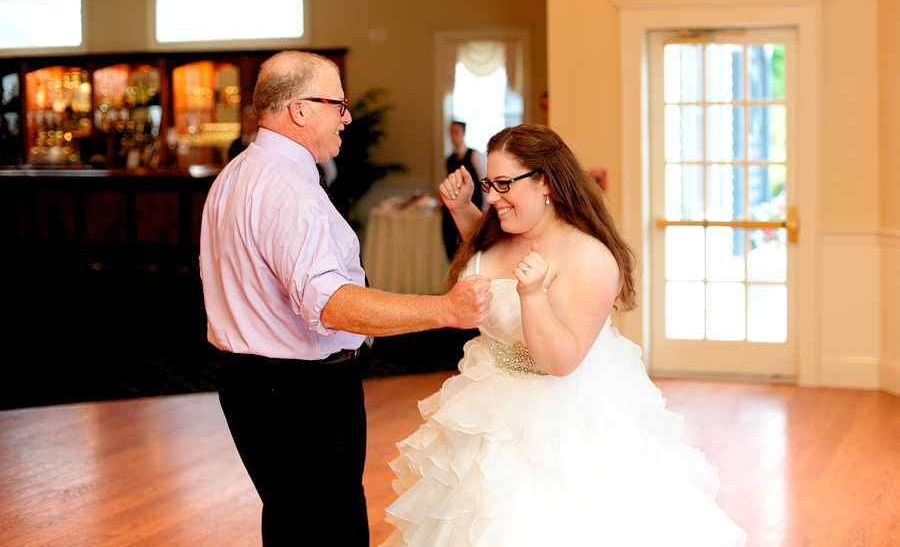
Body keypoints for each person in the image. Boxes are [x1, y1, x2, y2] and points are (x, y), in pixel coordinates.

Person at [378, 124, 747, 547]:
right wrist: (462, 210)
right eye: (488, 184)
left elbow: (561, 361)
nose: (493, 196)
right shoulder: (500, 232)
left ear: (546, 183)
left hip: (562, 416)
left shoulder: (588, 257)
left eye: (503, 184)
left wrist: (533, 295)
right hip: (488, 401)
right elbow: (487, 262)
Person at [199, 50, 492, 547]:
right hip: (300, 397)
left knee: (292, 523)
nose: (347, 117)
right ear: (300, 110)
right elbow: (330, 304)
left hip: (249, 386)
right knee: (331, 532)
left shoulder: (237, 173)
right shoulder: (289, 190)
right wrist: (445, 309)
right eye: (338, 104)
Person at [441, 120, 486, 260]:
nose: (454, 136)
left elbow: (485, 183)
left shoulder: (475, 155)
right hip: (451, 215)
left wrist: (484, 211)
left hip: (472, 208)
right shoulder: (449, 159)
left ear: (463, 133)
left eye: (456, 132)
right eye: (451, 133)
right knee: (452, 253)